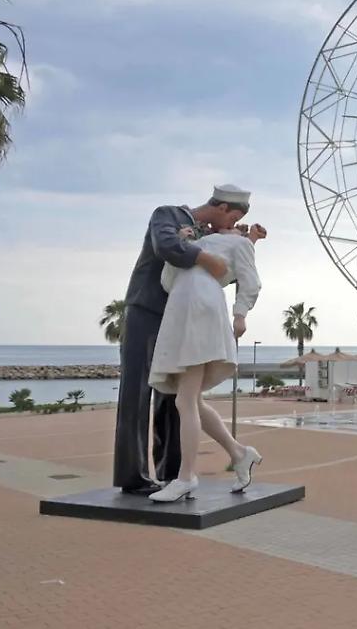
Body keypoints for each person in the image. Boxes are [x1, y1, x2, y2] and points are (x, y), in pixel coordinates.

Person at [113, 185, 255, 495]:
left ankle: (173, 471)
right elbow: (168, 247)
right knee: (137, 392)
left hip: (184, 316)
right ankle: (133, 474)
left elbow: (221, 276)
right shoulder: (169, 214)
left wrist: (240, 244)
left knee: (177, 401)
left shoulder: (211, 235)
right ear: (224, 210)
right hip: (148, 310)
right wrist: (207, 256)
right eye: (232, 220)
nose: (232, 227)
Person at [147, 226, 267, 503]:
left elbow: (250, 280)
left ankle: (186, 476)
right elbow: (168, 281)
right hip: (182, 312)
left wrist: (240, 314)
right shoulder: (197, 244)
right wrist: (179, 245)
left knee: (185, 401)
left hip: (201, 313)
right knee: (190, 400)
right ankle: (239, 454)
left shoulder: (237, 244)